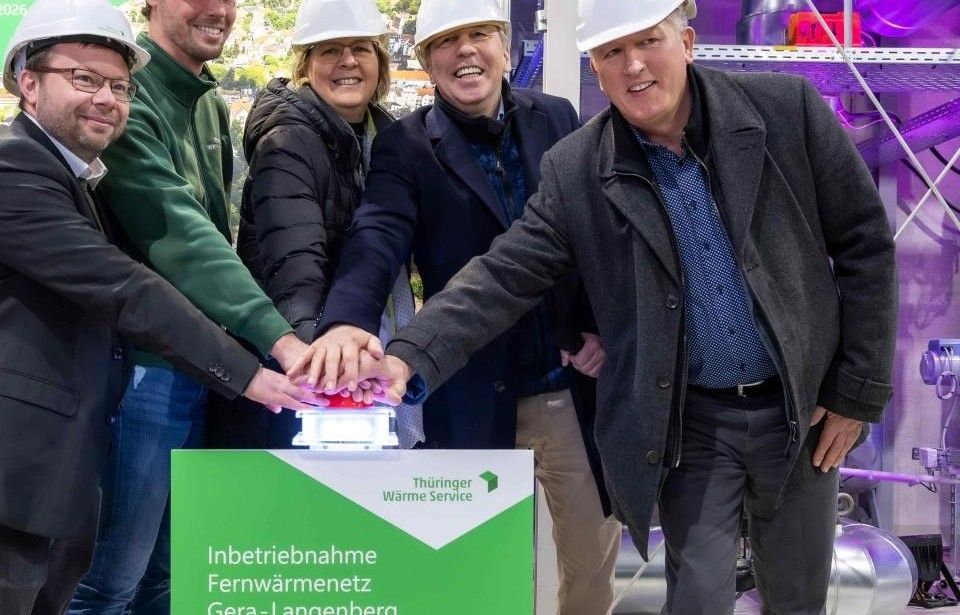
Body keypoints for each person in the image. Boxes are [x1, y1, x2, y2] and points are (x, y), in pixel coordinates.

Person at [319, 0, 898, 613]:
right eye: (613, 52)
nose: (634, 65)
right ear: (596, 69)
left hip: (801, 410)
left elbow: (864, 244)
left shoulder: (785, 110)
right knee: (697, 599)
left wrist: (856, 393)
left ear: (687, 43)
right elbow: (503, 274)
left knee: (799, 598)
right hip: (691, 420)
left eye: (648, 42)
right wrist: (407, 356)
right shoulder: (579, 166)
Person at [0, 1, 318, 612]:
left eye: (119, 86)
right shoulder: (10, 166)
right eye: (84, 79)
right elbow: (124, 288)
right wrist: (252, 372)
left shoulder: (71, 175)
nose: (106, 100)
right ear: (28, 83)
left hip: (35, 479)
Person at [297, 0, 620, 610]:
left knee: (590, 564)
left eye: (478, 34)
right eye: (446, 40)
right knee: (482, 576)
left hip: (569, 386)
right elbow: (377, 234)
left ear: (505, 48)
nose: (465, 50)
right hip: (472, 389)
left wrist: (596, 327)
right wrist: (345, 323)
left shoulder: (557, 117)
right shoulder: (406, 145)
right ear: (426, 61)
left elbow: (596, 233)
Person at [68, 0, 312, 610]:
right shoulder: (128, 97)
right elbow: (181, 234)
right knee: (109, 580)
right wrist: (279, 339)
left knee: (169, 577)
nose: (217, 9)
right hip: (142, 369)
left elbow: (218, 233)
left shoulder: (206, 101)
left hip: (203, 364)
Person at [235, 0, 424, 447]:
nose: (348, 61)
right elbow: (294, 266)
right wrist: (323, 363)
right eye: (330, 50)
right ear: (306, 66)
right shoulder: (288, 141)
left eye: (361, 48)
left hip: (352, 356)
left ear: (380, 61)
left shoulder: (385, 138)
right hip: (302, 371)